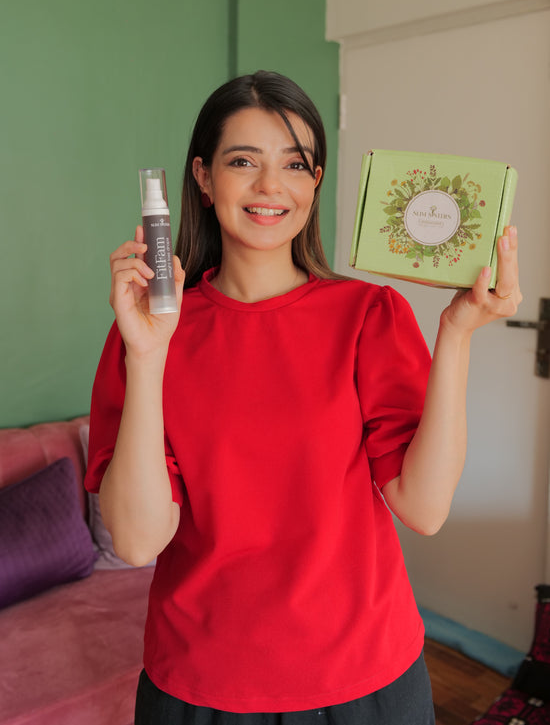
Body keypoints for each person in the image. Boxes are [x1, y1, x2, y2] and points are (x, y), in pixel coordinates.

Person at [85, 70, 522, 725]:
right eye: (243, 161)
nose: (271, 186)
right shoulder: (149, 330)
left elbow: (424, 507)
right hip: (203, 683)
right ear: (203, 177)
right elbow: (139, 540)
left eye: (294, 164)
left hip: (368, 676)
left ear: (315, 181)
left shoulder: (368, 314)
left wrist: (456, 334)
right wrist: (148, 357)